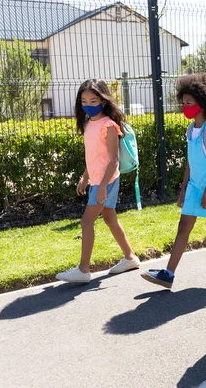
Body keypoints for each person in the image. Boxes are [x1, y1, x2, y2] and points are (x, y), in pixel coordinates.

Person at [141, 73, 206, 289]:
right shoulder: (191, 129)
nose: (185, 106)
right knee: (183, 227)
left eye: (189, 103)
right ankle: (168, 274)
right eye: (183, 102)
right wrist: (184, 189)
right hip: (195, 187)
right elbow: (190, 163)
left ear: (204, 103)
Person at [56, 79, 139, 283]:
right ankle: (130, 258)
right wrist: (85, 177)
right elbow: (94, 157)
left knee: (86, 221)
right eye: (84, 101)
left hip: (107, 181)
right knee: (110, 218)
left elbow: (113, 160)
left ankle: (84, 270)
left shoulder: (109, 126)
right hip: (97, 181)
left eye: (94, 100)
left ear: (103, 101)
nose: (88, 105)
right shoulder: (88, 124)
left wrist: (102, 187)